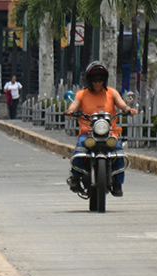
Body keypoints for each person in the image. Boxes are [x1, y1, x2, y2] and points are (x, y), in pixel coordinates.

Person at [64, 61, 137, 197]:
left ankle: (118, 183)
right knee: (79, 151)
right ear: (89, 81)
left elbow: (122, 105)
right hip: (88, 133)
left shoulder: (112, 93)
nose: (97, 83)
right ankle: (75, 178)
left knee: (119, 153)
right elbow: (73, 106)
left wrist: (128, 109)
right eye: (94, 80)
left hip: (109, 133)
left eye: (100, 80)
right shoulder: (81, 94)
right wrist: (70, 111)